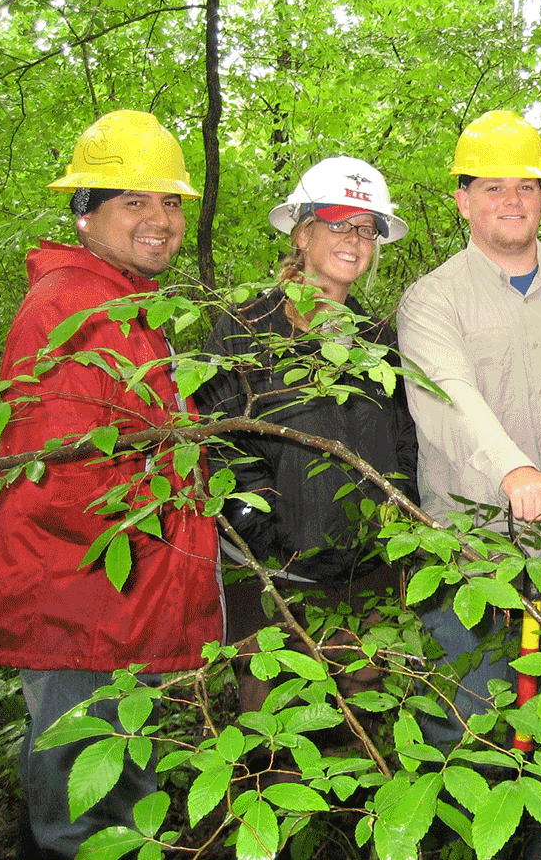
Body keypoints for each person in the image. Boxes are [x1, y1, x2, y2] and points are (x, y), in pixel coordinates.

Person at [0, 110, 223, 860]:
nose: (160, 220)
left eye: (170, 202)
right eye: (135, 201)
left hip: (119, 613)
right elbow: (62, 482)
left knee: (121, 809)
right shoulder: (70, 307)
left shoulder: (121, 304)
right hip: (83, 615)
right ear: (85, 213)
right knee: (80, 822)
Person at [396, 110, 541, 747]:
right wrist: (512, 470)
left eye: (526, 184)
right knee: (474, 741)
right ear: (463, 200)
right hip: (471, 564)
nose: (512, 199)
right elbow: (447, 398)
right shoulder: (432, 299)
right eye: (492, 187)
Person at [197, 156, 419, 721]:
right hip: (274, 572)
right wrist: (270, 540)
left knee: (360, 717)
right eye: (340, 222)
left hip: (365, 568)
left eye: (367, 229)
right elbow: (223, 443)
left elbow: (403, 446)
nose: (356, 239)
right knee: (273, 722)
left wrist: (394, 531)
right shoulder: (244, 329)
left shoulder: (377, 339)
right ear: (302, 232)